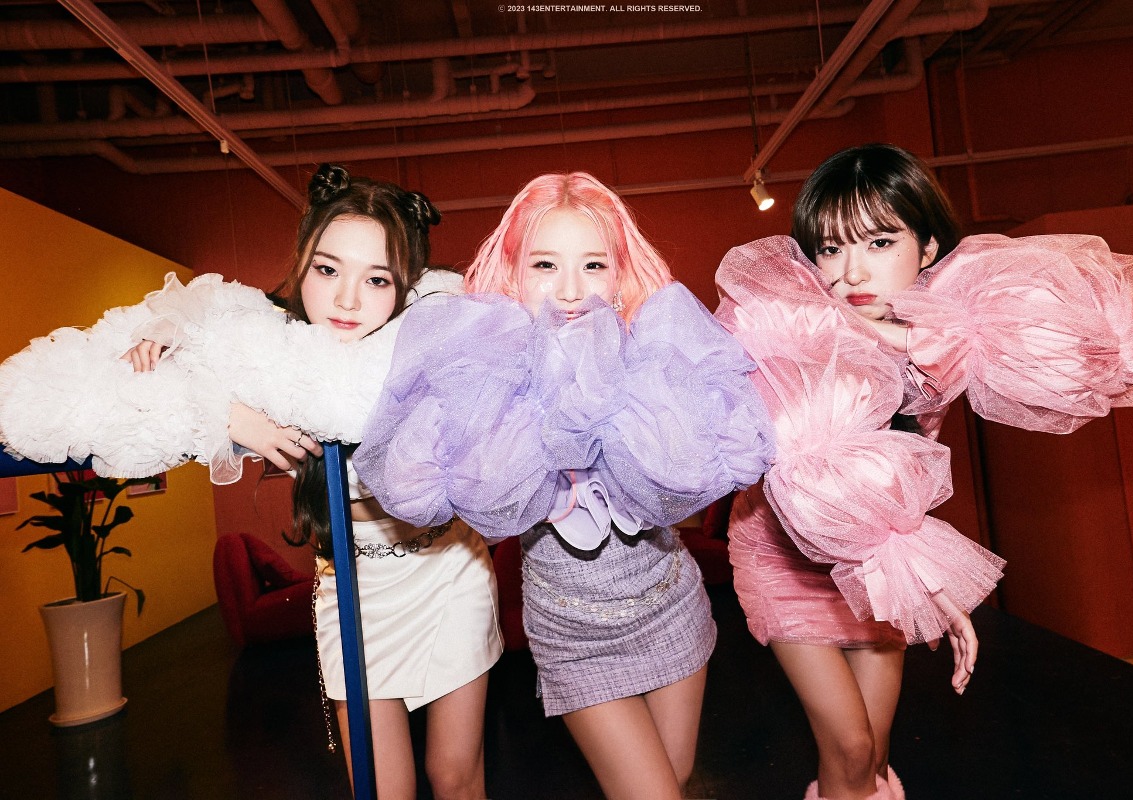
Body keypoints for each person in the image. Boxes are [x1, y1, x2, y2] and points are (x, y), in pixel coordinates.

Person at [0, 164, 503, 800]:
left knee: (455, 779)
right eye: (328, 270)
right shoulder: (268, 350)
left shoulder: (424, 341)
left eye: (377, 279)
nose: (347, 300)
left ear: (404, 286)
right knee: (381, 789)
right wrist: (229, 414)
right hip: (351, 585)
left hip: (447, 570)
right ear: (302, 264)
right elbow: (136, 364)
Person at [714, 143, 1133, 800]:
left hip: (886, 563)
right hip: (788, 558)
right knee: (850, 747)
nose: (851, 271)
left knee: (874, 756)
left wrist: (916, 339)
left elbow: (1095, 344)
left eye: (879, 242)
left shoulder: (954, 330)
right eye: (830, 248)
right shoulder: (787, 329)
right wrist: (936, 588)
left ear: (927, 248)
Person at [353, 171, 775, 800]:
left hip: (670, 603)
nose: (572, 289)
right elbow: (421, 467)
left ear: (620, 273)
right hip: (573, 634)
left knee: (676, 779)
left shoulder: (653, 352)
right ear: (514, 273)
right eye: (545, 264)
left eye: (594, 264)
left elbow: (719, 456)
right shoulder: (486, 374)